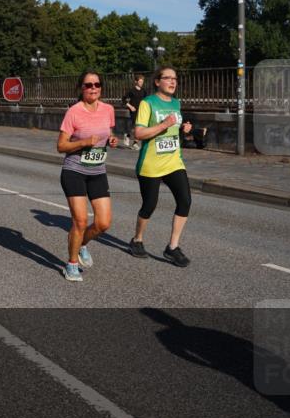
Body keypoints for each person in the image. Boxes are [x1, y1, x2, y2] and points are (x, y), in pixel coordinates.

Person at [56, 72, 119, 282]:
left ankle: (82, 243)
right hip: (74, 170)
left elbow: (106, 132)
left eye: (97, 84)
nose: (93, 88)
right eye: (88, 85)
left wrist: (111, 139)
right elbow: (61, 146)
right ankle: (71, 264)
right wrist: (83, 143)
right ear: (81, 88)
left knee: (103, 223)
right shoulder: (73, 112)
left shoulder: (108, 110)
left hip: (97, 171)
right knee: (80, 221)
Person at [129, 66, 194, 268]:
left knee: (185, 201)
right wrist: (164, 124)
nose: (173, 82)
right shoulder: (148, 103)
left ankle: (172, 247)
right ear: (157, 82)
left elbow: (172, 132)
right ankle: (137, 239)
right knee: (149, 205)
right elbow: (138, 134)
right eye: (168, 78)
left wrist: (184, 129)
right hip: (151, 163)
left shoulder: (176, 103)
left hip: (174, 162)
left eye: (175, 78)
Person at [122, 74, 147, 149]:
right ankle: (128, 135)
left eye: (142, 81)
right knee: (135, 126)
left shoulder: (144, 91)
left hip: (142, 111)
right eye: (140, 81)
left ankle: (135, 143)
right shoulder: (131, 91)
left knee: (139, 127)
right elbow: (123, 100)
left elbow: (146, 101)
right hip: (134, 110)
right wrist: (130, 106)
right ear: (136, 82)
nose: (141, 83)